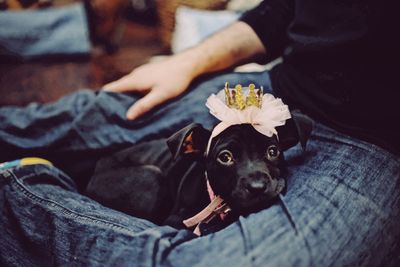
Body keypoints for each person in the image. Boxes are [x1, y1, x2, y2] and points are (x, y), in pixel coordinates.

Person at [1, 0, 399, 266]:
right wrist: (188, 62)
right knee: (98, 112)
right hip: (275, 89)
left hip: (370, 140)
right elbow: (286, 10)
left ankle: (17, 191)